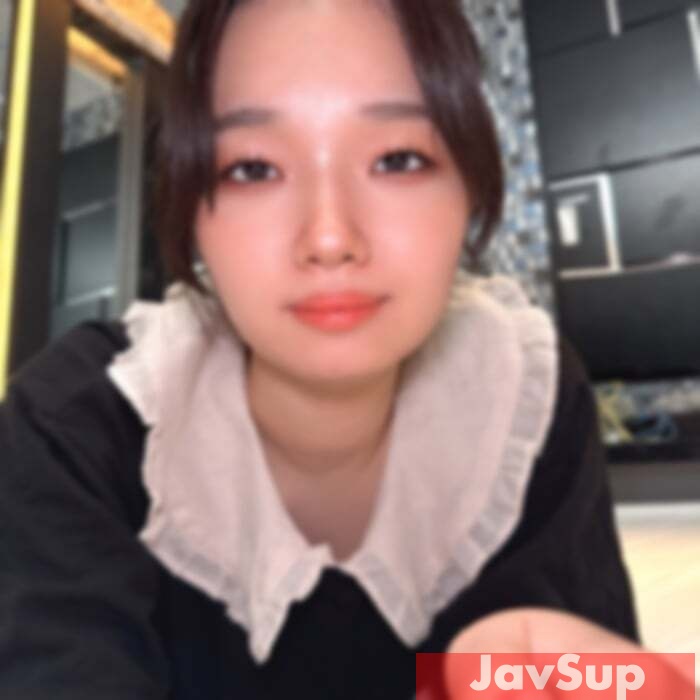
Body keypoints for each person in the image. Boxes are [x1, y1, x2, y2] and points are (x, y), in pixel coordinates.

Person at [0, 1, 639, 698]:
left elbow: (585, 669)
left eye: (398, 159)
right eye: (252, 168)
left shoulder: (525, 401)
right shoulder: (76, 430)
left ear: (471, 190)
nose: (330, 237)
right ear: (192, 212)